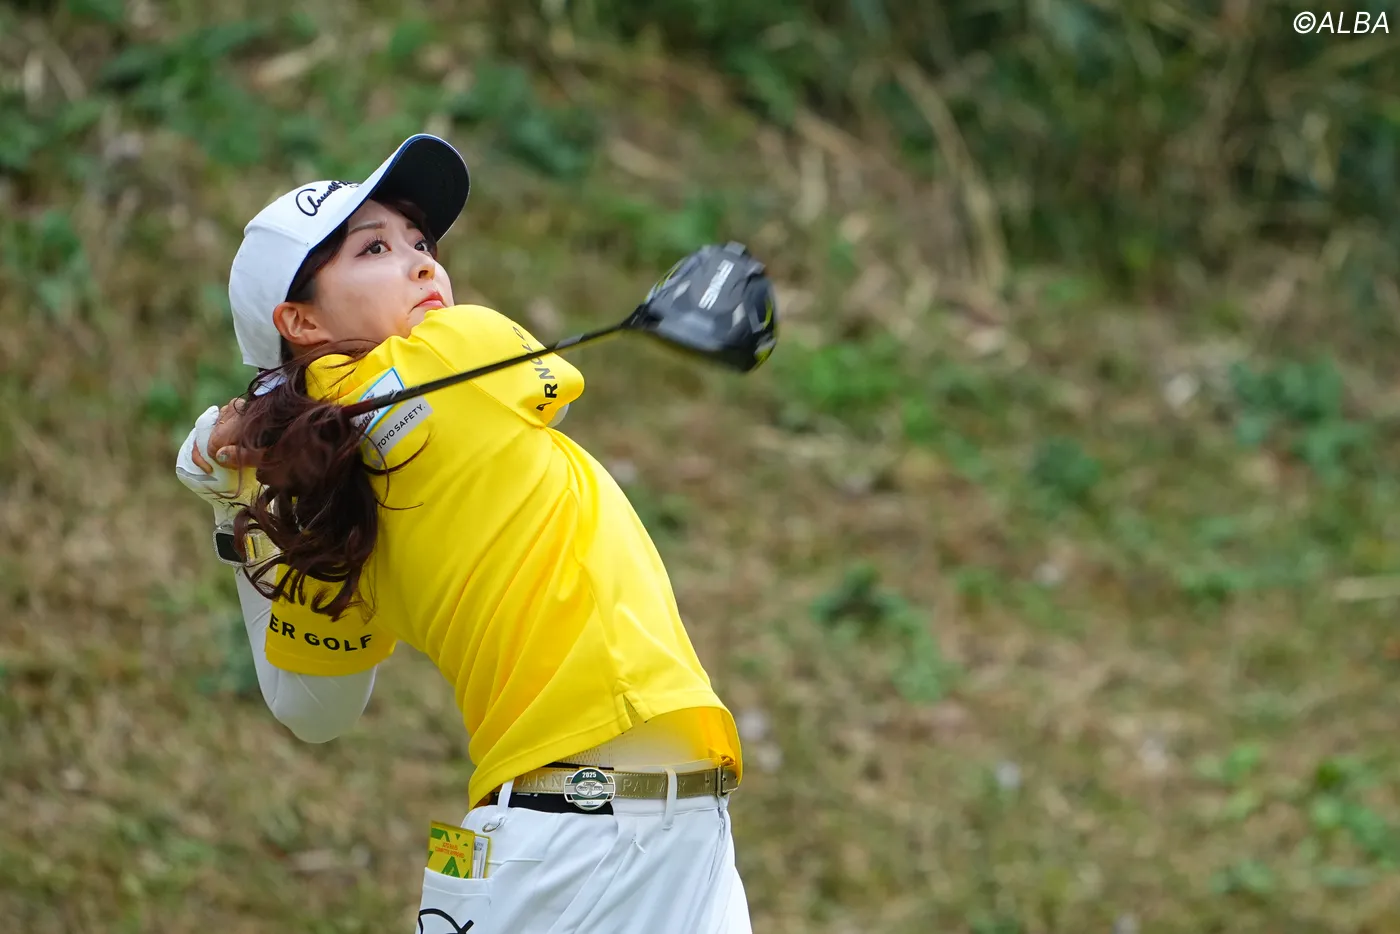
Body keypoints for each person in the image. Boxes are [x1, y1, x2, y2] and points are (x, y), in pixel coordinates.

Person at [174, 133, 751, 934]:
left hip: (638, 834)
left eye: (422, 243)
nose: (422, 265)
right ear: (298, 319)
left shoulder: (311, 502)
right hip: (586, 840)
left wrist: (234, 503)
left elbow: (311, 709)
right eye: (374, 248)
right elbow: (545, 398)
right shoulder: (461, 346)